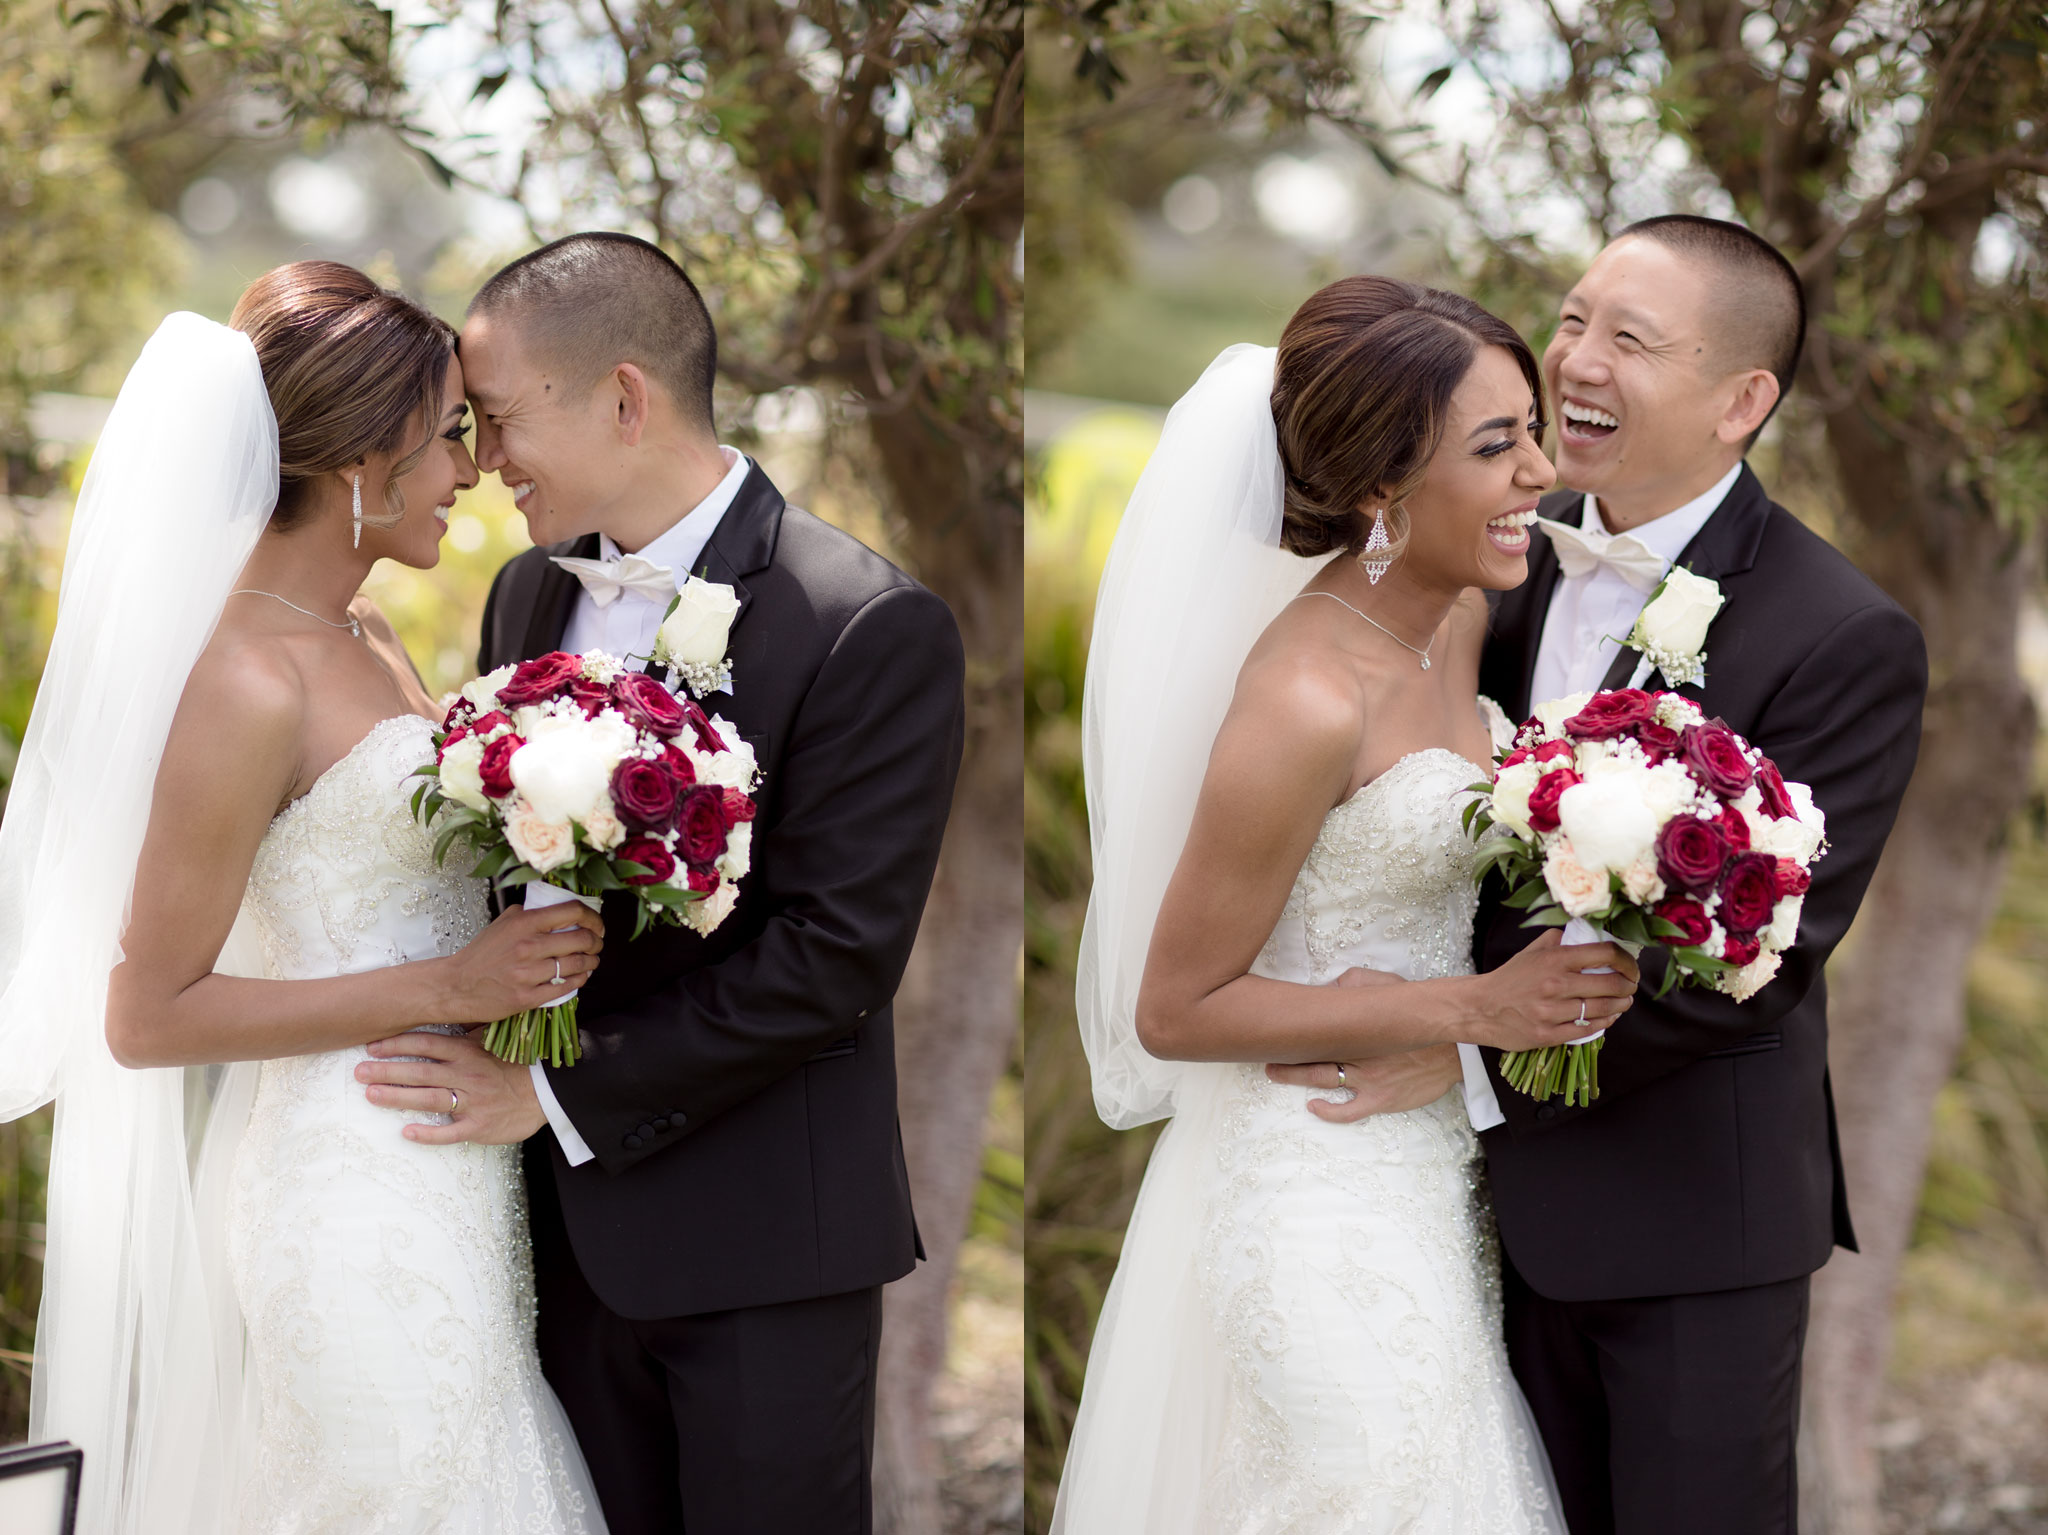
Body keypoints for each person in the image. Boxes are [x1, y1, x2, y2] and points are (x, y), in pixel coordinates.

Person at [354, 232, 967, 1534]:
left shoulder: (862, 620)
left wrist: (550, 1090)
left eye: (499, 417)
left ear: (624, 398)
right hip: (548, 1237)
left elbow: (834, 955)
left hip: (761, 1244)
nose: (484, 457)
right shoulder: (526, 592)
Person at [1323, 217, 1928, 1535]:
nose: (1577, 360)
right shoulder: (1492, 545)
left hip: (1686, 1227)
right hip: (1443, 1216)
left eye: (1630, 339)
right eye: (1572, 318)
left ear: (1740, 400)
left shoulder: (1841, 634)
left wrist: (1462, 1054)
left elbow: (1750, 963)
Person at [0, 264, 610, 1533]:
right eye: (446, 436)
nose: (469, 469)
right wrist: (452, 983)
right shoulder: (244, 680)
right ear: (357, 462)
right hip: (343, 1200)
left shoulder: (366, 633)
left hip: (451, 1187)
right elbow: (147, 1015)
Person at [1053, 277, 1643, 1534]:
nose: (1539, 471)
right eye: (1495, 445)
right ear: (1380, 486)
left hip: (1432, 1180)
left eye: (1532, 430)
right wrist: (1469, 1008)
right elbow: (1175, 1006)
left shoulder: (1463, 613)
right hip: (1309, 1188)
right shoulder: (1306, 697)